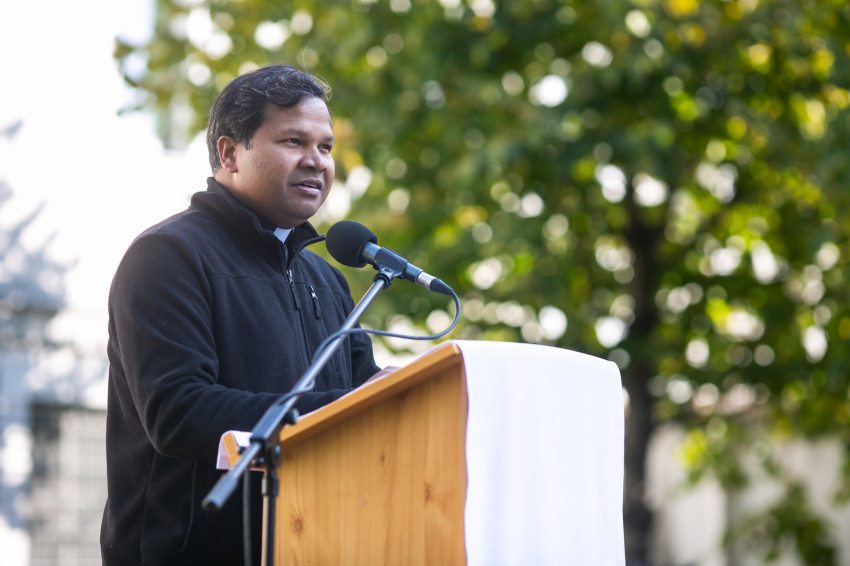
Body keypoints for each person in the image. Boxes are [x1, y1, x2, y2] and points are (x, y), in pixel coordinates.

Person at [100, 64, 386, 565]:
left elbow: (367, 398)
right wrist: (347, 409)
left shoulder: (328, 280)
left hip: (312, 548)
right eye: (294, 141)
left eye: (326, 147)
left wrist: (393, 397)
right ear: (230, 153)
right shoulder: (169, 255)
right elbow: (177, 412)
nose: (317, 161)